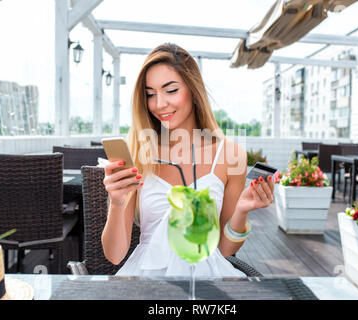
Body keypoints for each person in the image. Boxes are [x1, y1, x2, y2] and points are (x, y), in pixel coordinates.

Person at [101, 43, 274, 278]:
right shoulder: (138, 153)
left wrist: (242, 211)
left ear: (193, 91)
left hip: (205, 279)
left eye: (170, 90)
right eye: (150, 94)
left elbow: (223, 250)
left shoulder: (230, 155)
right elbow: (114, 255)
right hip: (146, 279)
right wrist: (116, 203)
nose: (159, 104)